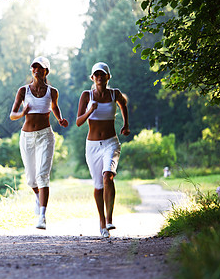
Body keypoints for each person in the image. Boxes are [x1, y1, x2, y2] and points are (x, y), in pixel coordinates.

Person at [10, 56, 69, 229]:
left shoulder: (53, 91)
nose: (36, 70)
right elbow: (12, 114)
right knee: (31, 179)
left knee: (42, 175)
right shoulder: (23, 91)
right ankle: (38, 197)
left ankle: (42, 216)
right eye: (34, 67)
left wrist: (60, 119)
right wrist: (23, 113)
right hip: (26, 137)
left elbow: (54, 106)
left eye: (40, 68)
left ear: (46, 71)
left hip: (45, 135)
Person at [76, 62, 130, 238]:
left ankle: (109, 218)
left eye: (103, 74)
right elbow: (78, 121)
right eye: (96, 74)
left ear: (108, 77)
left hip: (111, 143)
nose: (99, 77)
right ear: (92, 78)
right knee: (98, 186)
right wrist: (90, 110)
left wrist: (126, 125)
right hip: (92, 146)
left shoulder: (115, 94)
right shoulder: (87, 95)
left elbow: (123, 104)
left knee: (108, 176)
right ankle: (101, 222)